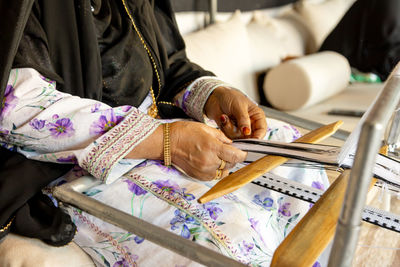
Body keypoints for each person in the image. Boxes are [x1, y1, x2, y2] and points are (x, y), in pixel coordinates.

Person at [0, 0, 328, 266]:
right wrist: (165, 141)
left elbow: (168, 65)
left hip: (164, 130)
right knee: (221, 236)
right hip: (77, 163)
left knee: (293, 152)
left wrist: (214, 95)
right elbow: (17, 108)